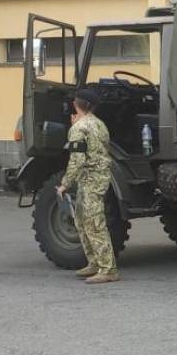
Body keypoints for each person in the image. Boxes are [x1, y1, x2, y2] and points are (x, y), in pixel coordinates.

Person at [56, 89, 118, 284]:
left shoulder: (78, 128)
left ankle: (108, 269)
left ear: (76, 105)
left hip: (90, 180)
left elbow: (77, 159)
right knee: (82, 221)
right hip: (98, 177)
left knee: (93, 223)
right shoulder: (100, 124)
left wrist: (65, 184)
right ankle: (94, 263)